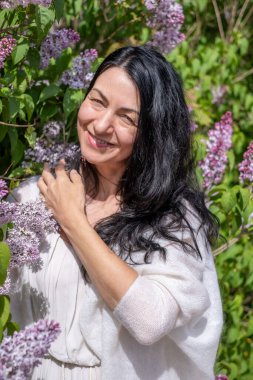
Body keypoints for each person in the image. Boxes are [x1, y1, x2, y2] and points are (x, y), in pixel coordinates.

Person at [10, 45, 223, 380]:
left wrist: (73, 221)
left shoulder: (172, 219)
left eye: (126, 118)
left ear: (152, 133)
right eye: (97, 101)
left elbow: (150, 320)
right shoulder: (34, 197)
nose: (101, 124)